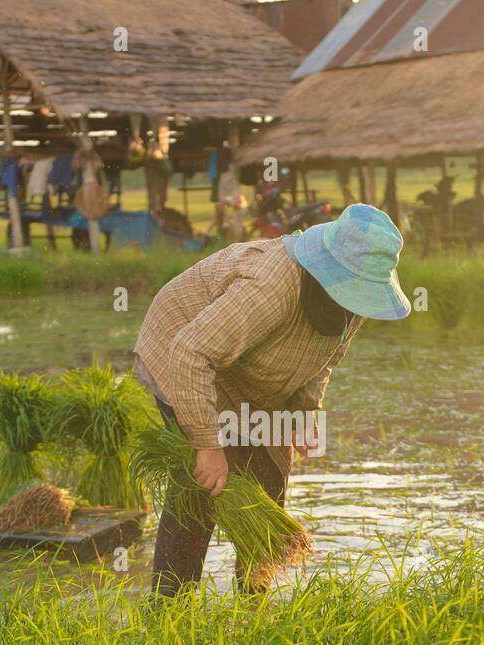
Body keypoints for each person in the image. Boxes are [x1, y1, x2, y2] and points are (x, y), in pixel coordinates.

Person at [133, 203, 411, 596]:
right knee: (204, 486)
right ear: (325, 272)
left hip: (251, 372)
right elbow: (191, 353)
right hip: (182, 349)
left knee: (268, 481)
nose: (356, 304)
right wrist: (208, 445)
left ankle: (253, 598)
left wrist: (304, 415)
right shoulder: (270, 285)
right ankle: (170, 612)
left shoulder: (353, 302)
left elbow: (325, 359)